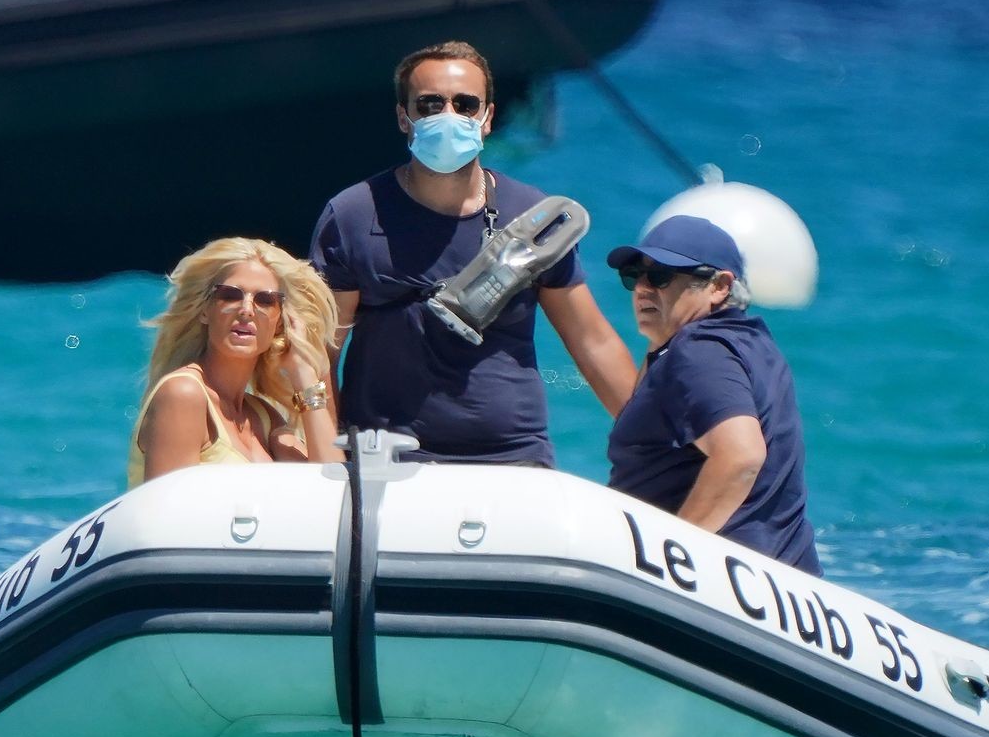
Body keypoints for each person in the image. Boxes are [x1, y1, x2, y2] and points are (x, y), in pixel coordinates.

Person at [310, 40, 636, 465]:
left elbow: (592, 342)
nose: (449, 116)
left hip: (514, 457)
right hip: (387, 460)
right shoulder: (353, 214)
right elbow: (320, 353)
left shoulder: (533, 215)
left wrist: (655, 446)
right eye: (430, 105)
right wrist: (331, 465)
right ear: (404, 117)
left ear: (487, 118)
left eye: (465, 105)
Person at [603, 215, 820, 572]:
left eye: (661, 276)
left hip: (723, 576)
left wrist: (670, 557)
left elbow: (741, 457)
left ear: (719, 286)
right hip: (785, 571)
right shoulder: (753, 345)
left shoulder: (698, 349)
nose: (642, 288)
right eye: (633, 275)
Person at [129, 237, 343, 486]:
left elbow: (333, 483)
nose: (247, 310)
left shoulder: (264, 417)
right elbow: (169, 505)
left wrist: (304, 375)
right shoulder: (183, 394)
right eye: (230, 295)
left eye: (265, 300)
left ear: (280, 323)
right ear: (205, 310)